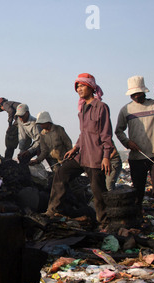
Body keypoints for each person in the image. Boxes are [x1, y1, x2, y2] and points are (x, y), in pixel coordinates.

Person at [45, 73, 114, 230]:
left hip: (95, 156)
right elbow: (84, 133)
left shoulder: (101, 107)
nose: (79, 89)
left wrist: (106, 156)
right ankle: (53, 210)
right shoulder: (82, 108)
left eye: (82, 86)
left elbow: (106, 134)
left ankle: (104, 223)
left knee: (98, 192)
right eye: (77, 86)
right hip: (82, 155)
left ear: (91, 87)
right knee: (61, 174)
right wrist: (75, 147)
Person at [115, 76, 154, 228]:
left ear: (143, 92)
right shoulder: (126, 109)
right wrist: (127, 142)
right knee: (138, 190)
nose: (136, 96)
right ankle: (138, 220)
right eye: (133, 95)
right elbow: (119, 130)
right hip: (137, 156)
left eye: (138, 93)